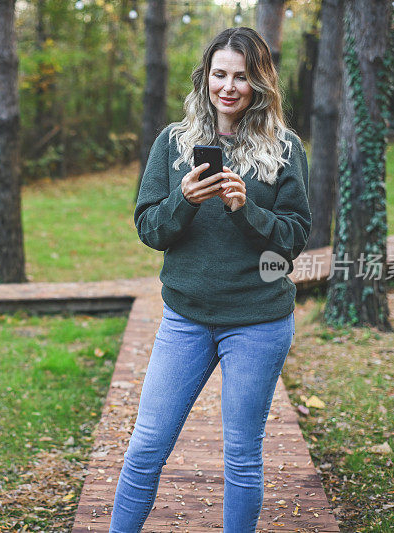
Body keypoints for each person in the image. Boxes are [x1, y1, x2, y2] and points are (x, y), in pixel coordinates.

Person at [109, 27, 312, 532]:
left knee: (241, 457)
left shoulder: (285, 148)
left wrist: (248, 211)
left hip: (258, 322)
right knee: (146, 445)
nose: (229, 86)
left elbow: (293, 239)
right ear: (205, 78)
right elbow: (151, 230)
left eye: (241, 77)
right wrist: (184, 200)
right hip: (186, 320)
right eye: (220, 74)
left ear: (259, 83)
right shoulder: (173, 143)